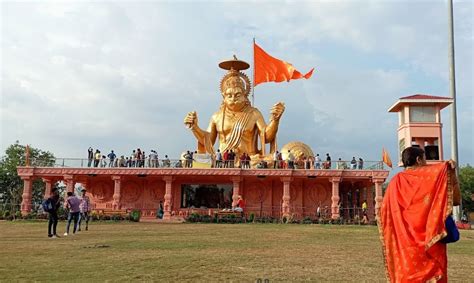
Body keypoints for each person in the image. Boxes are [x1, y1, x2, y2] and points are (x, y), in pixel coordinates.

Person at [379, 147, 461, 282]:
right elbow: (456, 201)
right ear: (418, 160)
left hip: (404, 250)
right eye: (424, 160)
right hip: (429, 247)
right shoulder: (431, 179)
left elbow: (385, 214)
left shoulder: (394, 183)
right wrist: (451, 174)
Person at [183, 59, 285, 163]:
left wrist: (275, 120)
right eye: (229, 95)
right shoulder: (217, 116)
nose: (233, 99)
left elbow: (266, 137)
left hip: (249, 160)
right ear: (224, 96)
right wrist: (195, 127)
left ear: (245, 95)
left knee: (269, 161)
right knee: (185, 158)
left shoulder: (254, 113)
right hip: (224, 160)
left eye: (237, 95)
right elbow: (208, 140)